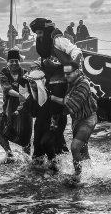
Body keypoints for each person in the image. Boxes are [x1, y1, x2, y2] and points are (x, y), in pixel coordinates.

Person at [30, 17, 83, 153]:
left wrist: (72, 69)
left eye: (40, 33)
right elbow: (47, 60)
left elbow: (76, 51)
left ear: (46, 31)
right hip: (50, 81)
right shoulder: (45, 45)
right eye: (37, 34)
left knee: (56, 115)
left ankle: (55, 124)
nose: (39, 36)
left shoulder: (58, 40)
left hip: (63, 80)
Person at [48, 61, 97, 183]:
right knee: (82, 150)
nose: (66, 76)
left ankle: (78, 175)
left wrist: (53, 98)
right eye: (64, 73)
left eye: (68, 73)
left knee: (75, 147)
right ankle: (91, 173)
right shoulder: (70, 82)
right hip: (77, 120)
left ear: (77, 72)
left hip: (88, 119)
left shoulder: (84, 84)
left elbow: (71, 104)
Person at [0, 50, 32, 161]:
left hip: (24, 108)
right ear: (7, 62)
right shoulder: (4, 72)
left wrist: (23, 96)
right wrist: (19, 95)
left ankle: (27, 160)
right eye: (11, 61)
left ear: (19, 62)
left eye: (16, 61)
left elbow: (27, 90)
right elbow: (7, 89)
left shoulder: (25, 72)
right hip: (8, 108)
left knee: (26, 137)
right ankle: (9, 154)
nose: (14, 63)